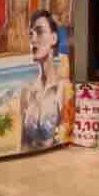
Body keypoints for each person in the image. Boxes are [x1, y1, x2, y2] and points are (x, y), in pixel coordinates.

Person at [21, 10, 72, 150]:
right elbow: (23, 145)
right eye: (30, 34)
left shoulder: (63, 88)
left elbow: (66, 142)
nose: (33, 39)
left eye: (40, 32)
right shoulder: (27, 92)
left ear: (54, 38)